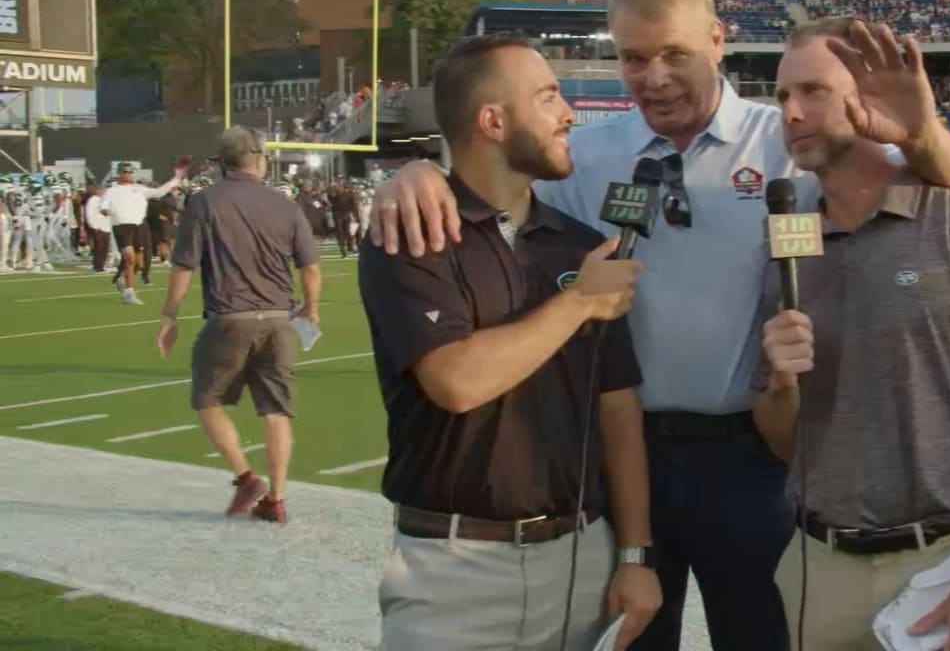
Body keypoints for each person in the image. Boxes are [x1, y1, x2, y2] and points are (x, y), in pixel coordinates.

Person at [368, 0, 950, 651]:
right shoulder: (586, 156)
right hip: (615, 460)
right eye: (633, 58)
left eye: (674, 54)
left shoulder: (784, 138)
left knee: (762, 637)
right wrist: (416, 171)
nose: (653, 77)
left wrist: (924, 134)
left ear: (719, 39)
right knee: (630, 638)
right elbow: (493, 184)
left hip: (750, 458)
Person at [754, 17, 950, 651]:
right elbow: (788, 443)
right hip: (822, 564)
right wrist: (780, 383)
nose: (791, 111)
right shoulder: (785, 245)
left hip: (945, 564)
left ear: (868, 97)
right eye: (784, 95)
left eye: (813, 91)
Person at [357, 34, 661, 651]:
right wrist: (579, 300)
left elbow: (617, 409)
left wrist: (634, 553)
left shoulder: (577, 243)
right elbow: (456, 382)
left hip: (581, 559)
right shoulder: (413, 233)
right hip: (454, 569)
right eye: (548, 96)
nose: (569, 112)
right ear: (493, 121)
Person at [157, 126, 322, 525]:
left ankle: (247, 478)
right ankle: (278, 499)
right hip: (279, 320)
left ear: (222, 163)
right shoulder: (284, 203)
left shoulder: (205, 202)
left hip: (231, 317)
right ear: (260, 159)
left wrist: (169, 316)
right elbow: (310, 267)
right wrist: (311, 309)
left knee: (207, 399)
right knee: (277, 411)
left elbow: (184, 265)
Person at [101, 163, 182, 304]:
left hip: (139, 226)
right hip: (122, 226)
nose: (129, 174)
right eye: (125, 171)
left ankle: (123, 279)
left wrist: (174, 181)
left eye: (131, 172)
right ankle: (129, 293)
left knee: (139, 263)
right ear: (119, 173)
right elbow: (103, 206)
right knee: (130, 257)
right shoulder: (111, 191)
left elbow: (159, 193)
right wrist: (107, 211)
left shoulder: (139, 189)